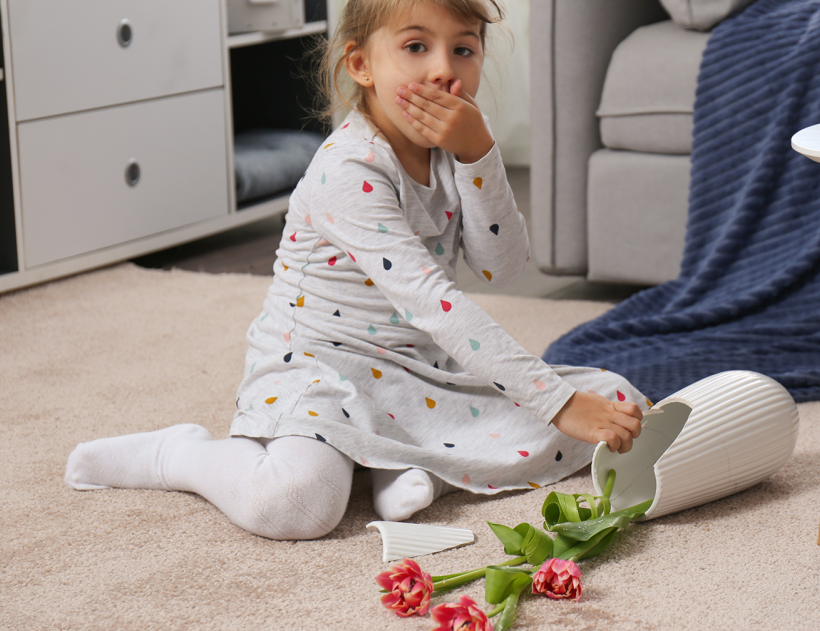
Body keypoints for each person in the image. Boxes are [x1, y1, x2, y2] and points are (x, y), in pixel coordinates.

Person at [65, 0, 646, 541]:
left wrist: (478, 155)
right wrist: (558, 404)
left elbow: (504, 266)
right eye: (417, 47)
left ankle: (409, 464)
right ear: (362, 65)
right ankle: (182, 455)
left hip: (416, 372)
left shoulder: (454, 145)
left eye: (463, 49)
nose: (445, 70)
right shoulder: (347, 170)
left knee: (619, 401)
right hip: (317, 370)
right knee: (297, 503)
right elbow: (436, 304)